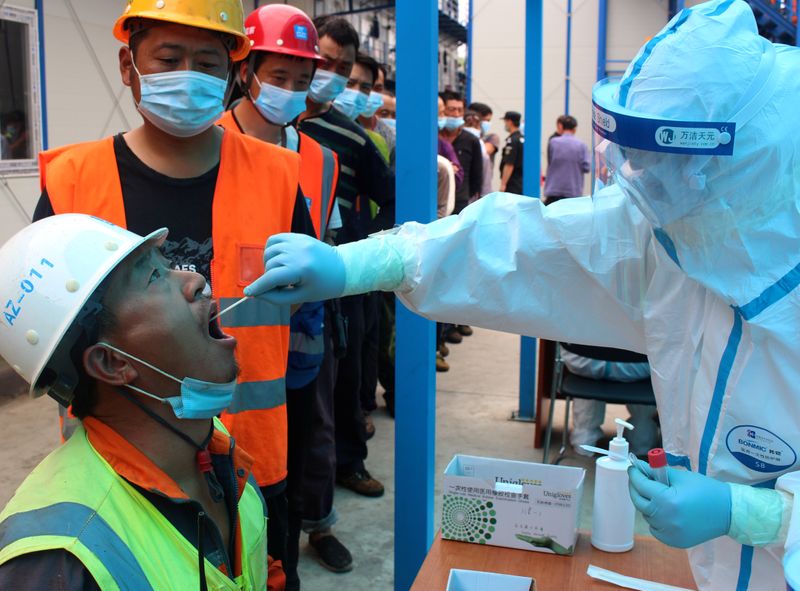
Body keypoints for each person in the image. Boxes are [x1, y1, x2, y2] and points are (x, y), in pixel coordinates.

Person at [241, 2, 800, 588]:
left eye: (669, 164)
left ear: (738, 158)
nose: (647, 181)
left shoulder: (714, 226)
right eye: (641, 161)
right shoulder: (675, 232)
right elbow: (524, 246)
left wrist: (758, 515)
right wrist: (361, 262)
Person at [33, 2, 315, 587]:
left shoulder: (278, 176)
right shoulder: (73, 182)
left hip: (254, 464)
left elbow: (304, 306)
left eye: (208, 62)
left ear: (232, 75)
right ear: (127, 64)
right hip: (120, 464)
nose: (188, 75)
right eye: (169, 58)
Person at [0, 215, 273, 590]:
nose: (195, 281)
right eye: (154, 277)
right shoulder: (59, 561)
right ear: (112, 362)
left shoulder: (216, 448)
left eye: (167, 266)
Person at [215, 5, 339, 589]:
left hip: (301, 340)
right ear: (247, 70)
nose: (289, 91)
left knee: (297, 460)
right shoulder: (208, 144)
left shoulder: (319, 157)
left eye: (301, 80)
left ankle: (302, 543)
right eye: (278, 76)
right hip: (226, 344)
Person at [297, 14, 395, 572]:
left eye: (341, 70)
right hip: (265, 288)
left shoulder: (354, 138)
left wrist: (362, 249)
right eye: (323, 64)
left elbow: (391, 199)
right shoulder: (242, 130)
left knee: (340, 386)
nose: (327, 77)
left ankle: (341, 475)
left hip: (339, 281)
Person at [561, 348, 658, 457]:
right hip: (638, 366)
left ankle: (583, 441)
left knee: (586, 344)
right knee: (655, 349)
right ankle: (641, 444)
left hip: (584, 363)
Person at [439, 90, 483, 214]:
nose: (456, 114)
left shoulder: (471, 140)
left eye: (460, 110)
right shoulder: (434, 139)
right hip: (437, 199)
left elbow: (477, 175)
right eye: (451, 110)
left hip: (460, 202)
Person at [542, 114, 590, 204]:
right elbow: (586, 168)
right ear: (575, 129)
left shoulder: (553, 142)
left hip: (554, 190)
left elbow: (550, 161)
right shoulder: (581, 145)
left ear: (561, 127)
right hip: (573, 191)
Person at [468, 101, 500, 192]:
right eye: (486, 120)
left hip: (483, 188)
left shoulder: (491, 138)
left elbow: (483, 152)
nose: (488, 123)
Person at [463, 110, 492, 200]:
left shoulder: (480, 144)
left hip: (473, 193)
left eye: (475, 125)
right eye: (469, 125)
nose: (472, 128)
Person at [500, 111, 524, 194]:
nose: (505, 124)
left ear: (509, 122)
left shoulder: (512, 140)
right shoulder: (523, 139)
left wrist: (503, 184)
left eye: (505, 122)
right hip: (522, 181)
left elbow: (509, 164)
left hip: (513, 183)